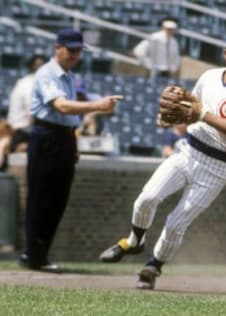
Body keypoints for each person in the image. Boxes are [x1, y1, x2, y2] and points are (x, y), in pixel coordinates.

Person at [99, 29, 226, 290]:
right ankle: (134, 241)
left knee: (176, 223)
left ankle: (153, 267)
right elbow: (191, 109)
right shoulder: (209, 77)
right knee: (147, 198)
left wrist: (202, 114)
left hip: (218, 166)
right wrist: (172, 119)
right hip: (188, 150)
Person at [19, 29, 123, 272]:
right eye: (71, 49)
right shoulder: (47, 73)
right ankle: (34, 256)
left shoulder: (67, 76)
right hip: (46, 138)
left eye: (78, 50)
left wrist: (73, 143)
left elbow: (68, 119)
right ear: (57, 48)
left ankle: (39, 254)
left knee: (57, 201)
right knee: (41, 199)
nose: (75, 55)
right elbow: (62, 107)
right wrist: (97, 105)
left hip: (63, 139)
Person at [7, 55, 47, 153]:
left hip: (17, 130)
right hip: (22, 133)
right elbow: (32, 114)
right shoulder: (32, 84)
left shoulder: (23, 82)